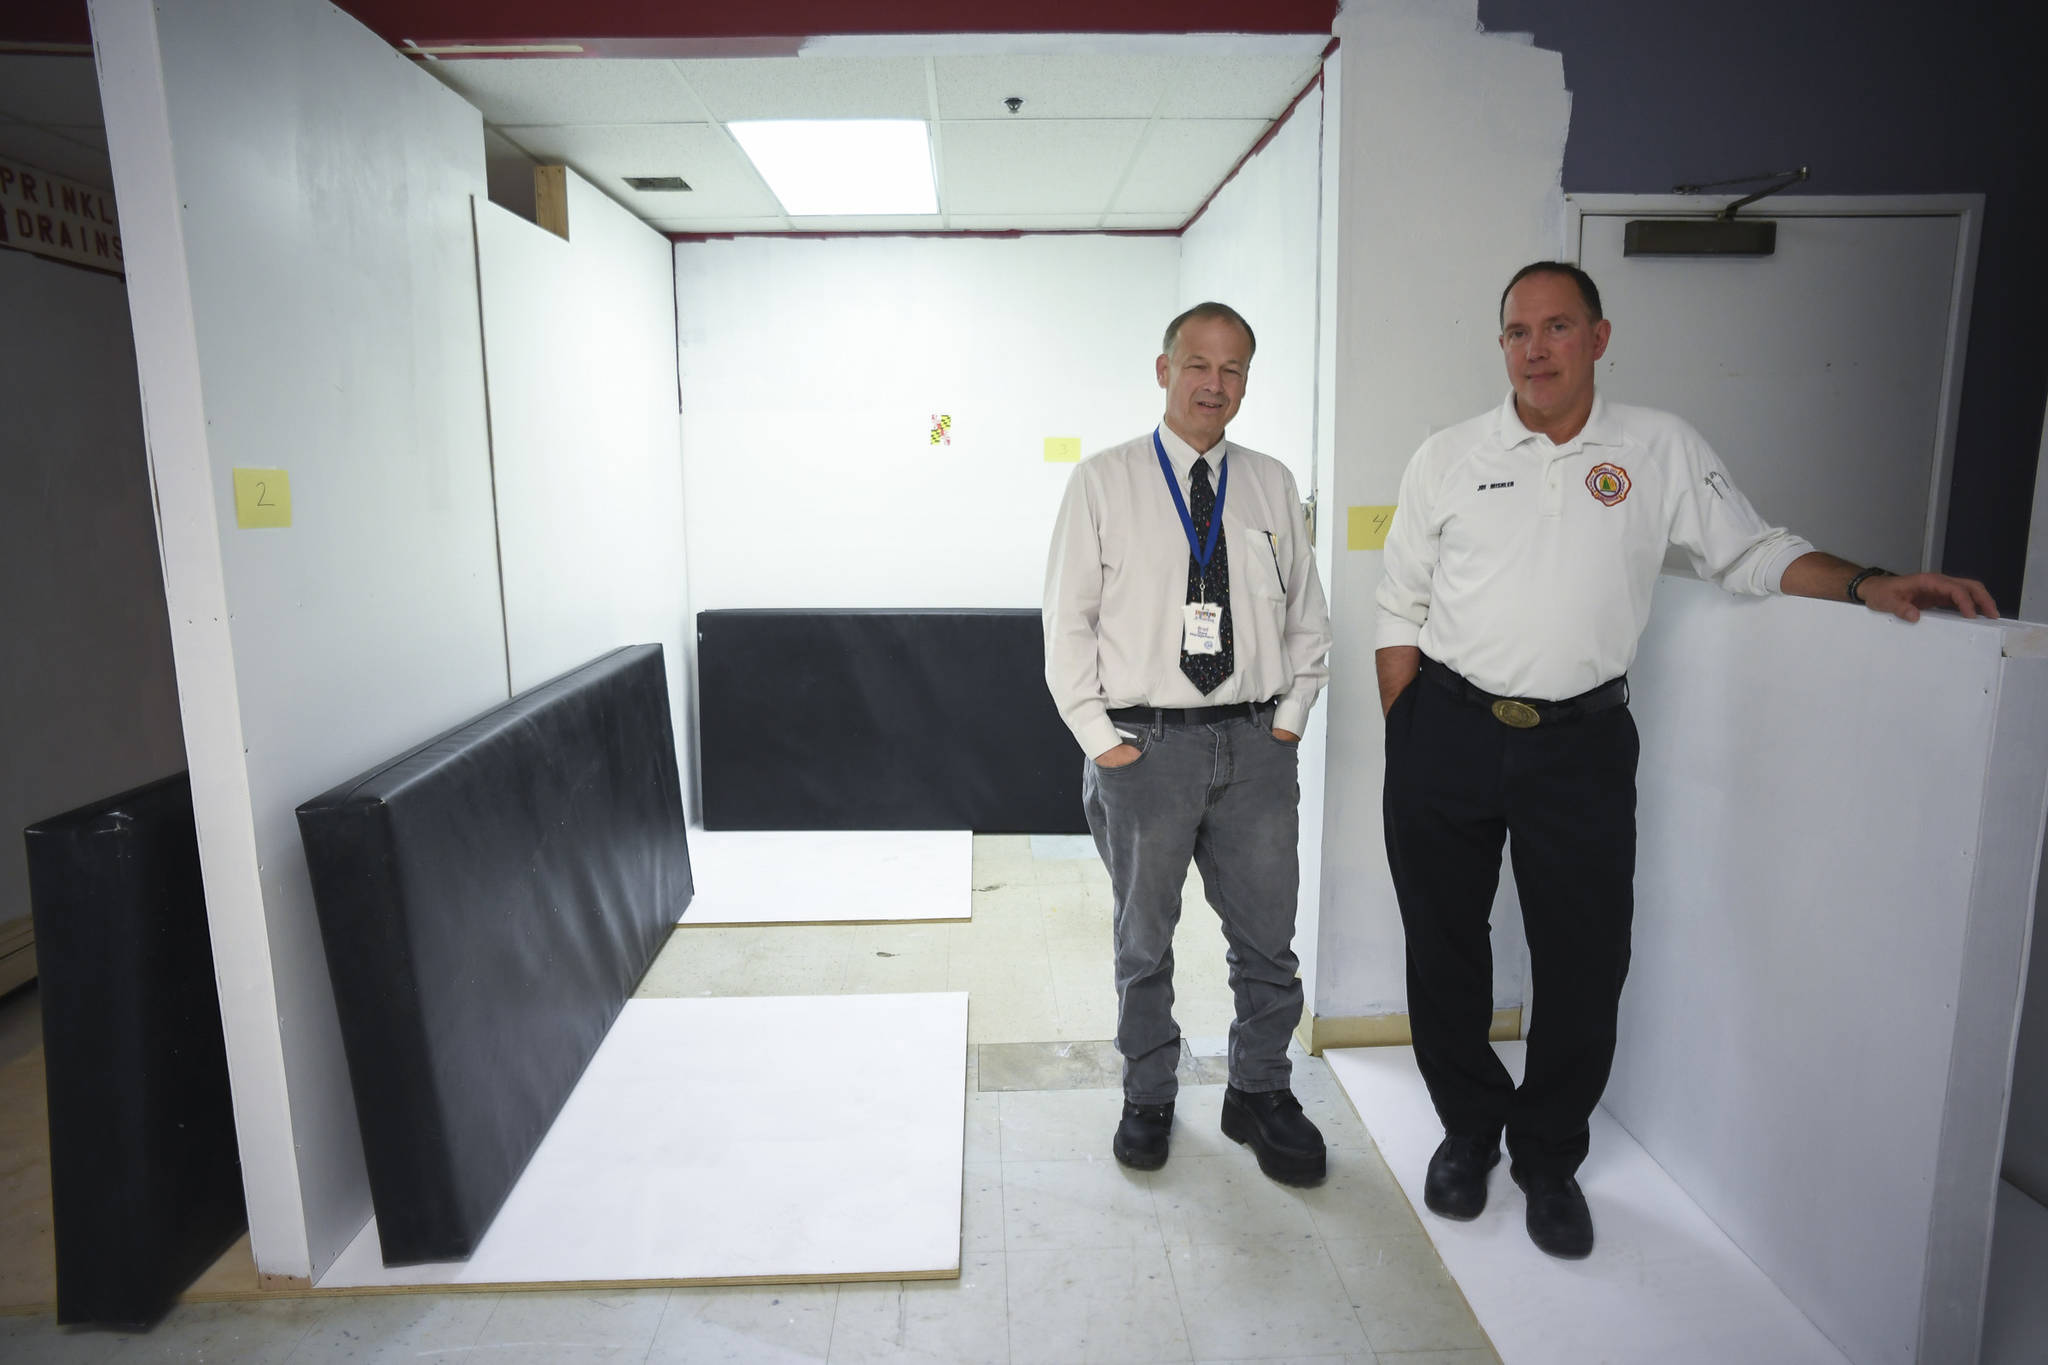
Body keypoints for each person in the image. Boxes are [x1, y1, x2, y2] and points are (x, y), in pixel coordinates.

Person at [1375, 261, 1998, 1259]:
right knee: (1442, 943)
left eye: (1555, 328)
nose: (1533, 349)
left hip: (1578, 745)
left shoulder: (1655, 449)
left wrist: (1867, 582)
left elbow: (1749, 552)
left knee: (1583, 959)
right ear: (1500, 346)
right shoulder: (1447, 456)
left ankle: (1546, 1156)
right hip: (1445, 731)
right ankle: (1467, 1129)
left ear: (1597, 338)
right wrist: (1408, 732)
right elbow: (1398, 600)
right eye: (1516, 332)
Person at [1043, 302, 1334, 1184]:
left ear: (1247, 380)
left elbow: (1306, 621)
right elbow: (1067, 625)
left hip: (1252, 748)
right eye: (1198, 364)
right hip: (1146, 748)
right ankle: (1150, 1093)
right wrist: (1104, 742)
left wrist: (1286, 726)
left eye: (1235, 368)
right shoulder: (1103, 482)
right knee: (1145, 940)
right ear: (1163, 369)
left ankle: (1260, 1091)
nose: (1216, 383)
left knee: (1267, 940)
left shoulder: (1272, 484)